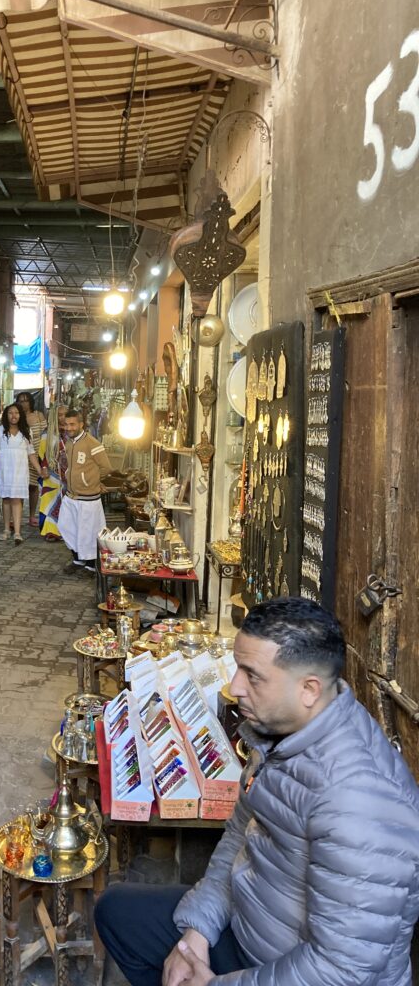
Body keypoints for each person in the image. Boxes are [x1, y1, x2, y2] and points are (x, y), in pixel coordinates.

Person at [95, 597, 419, 986]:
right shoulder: (279, 733)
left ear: (309, 689)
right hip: (253, 928)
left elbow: (342, 970)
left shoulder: (359, 801)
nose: (234, 687)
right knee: (117, 912)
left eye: (252, 675)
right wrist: (195, 935)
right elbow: (238, 837)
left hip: (298, 971)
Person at [58, 408, 112, 574]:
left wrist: (92, 481)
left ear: (81, 424)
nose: (69, 428)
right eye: (67, 424)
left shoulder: (92, 443)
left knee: (88, 532)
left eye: (73, 424)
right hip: (71, 495)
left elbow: (106, 468)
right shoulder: (68, 442)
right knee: (67, 527)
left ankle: (90, 565)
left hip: (88, 497)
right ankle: (77, 559)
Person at [0, 403, 41, 545]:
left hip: (20, 471)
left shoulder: (26, 431)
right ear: (6, 415)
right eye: (11, 413)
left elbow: (31, 453)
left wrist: (39, 470)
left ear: (20, 415)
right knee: (6, 499)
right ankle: (6, 529)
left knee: (17, 500)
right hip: (4, 470)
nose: (14, 416)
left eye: (17, 413)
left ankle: (17, 532)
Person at [15, 391, 46, 527]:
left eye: (26, 400)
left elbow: (45, 434)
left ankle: (32, 515)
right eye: (21, 401)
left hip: (37, 455)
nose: (24, 403)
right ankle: (18, 515)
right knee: (21, 486)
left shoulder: (38, 415)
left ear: (31, 402)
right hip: (21, 456)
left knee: (33, 486)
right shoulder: (16, 417)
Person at [37, 404, 68, 540]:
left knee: (66, 502)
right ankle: (51, 531)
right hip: (52, 473)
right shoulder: (47, 433)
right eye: (59, 415)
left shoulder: (72, 431)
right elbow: (43, 453)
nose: (63, 418)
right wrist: (43, 468)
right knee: (49, 501)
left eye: (65, 414)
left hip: (68, 474)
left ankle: (65, 531)